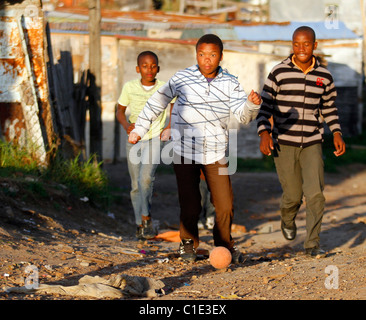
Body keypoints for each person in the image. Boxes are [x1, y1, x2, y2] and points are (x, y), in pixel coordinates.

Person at [129, 34, 261, 263]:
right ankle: (188, 245)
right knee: (190, 202)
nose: (206, 60)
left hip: (216, 152)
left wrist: (251, 104)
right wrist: (139, 128)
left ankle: (224, 245)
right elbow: (157, 102)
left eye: (212, 55)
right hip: (184, 150)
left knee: (225, 204)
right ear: (196, 55)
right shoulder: (182, 78)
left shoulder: (230, 82)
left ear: (221, 56)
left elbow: (243, 116)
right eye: (202, 54)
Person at [256, 26, 346, 257]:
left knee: (315, 194)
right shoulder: (279, 72)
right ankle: (287, 219)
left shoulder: (324, 75)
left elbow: (329, 107)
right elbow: (264, 107)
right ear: (292, 45)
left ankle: (312, 244)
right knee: (293, 196)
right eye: (297, 44)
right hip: (284, 142)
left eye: (306, 44)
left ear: (314, 45)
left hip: (313, 142)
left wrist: (336, 132)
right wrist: (264, 133)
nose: (301, 48)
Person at [116, 51, 172, 241]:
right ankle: (140, 224)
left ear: (158, 67)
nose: (150, 69)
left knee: (146, 178)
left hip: (155, 137)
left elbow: (175, 107)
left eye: (153, 66)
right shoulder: (129, 87)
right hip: (134, 139)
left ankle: (146, 216)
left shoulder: (165, 88)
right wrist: (126, 126)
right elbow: (120, 112)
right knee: (135, 185)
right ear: (138, 69)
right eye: (145, 66)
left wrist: (169, 127)